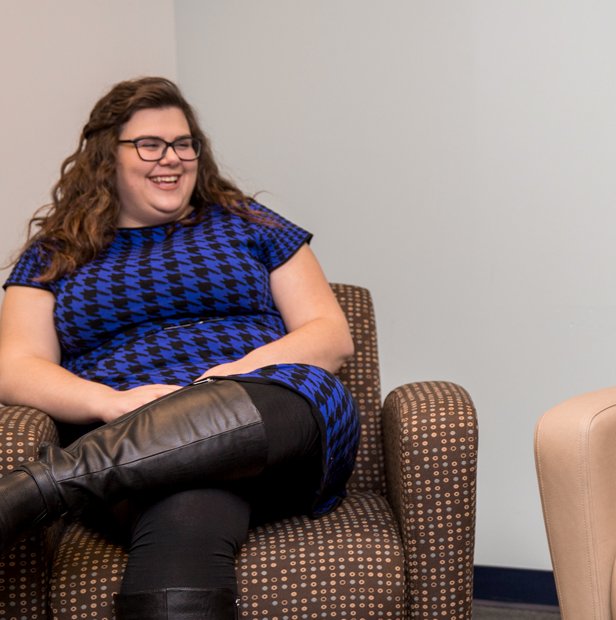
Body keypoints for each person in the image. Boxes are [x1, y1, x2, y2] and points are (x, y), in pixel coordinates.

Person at [0, 77, 358, 619]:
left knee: (290, 390)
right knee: (185, 509)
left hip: (274, 418)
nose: (172, 159)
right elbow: (15, 366)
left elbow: (330, 336)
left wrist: (218, 383)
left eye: (184, 143)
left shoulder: (251, 225)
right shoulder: (55, 254)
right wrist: (110, 403)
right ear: (107, 156)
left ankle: (25, 496)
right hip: (133, 450)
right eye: (150, 144)